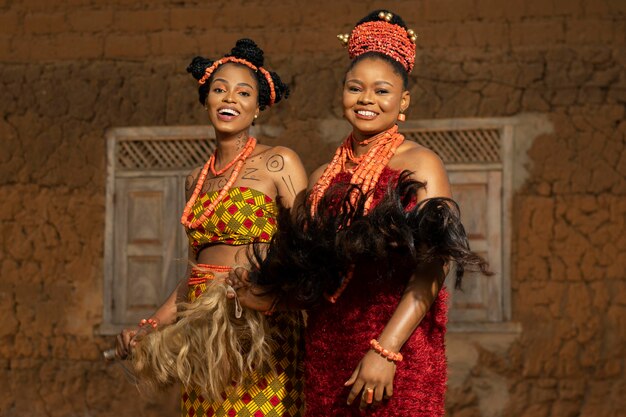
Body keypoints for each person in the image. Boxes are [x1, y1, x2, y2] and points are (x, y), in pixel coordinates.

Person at [229, 11, 490, 417]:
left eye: (382, 90)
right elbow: (313, 275)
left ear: (403, 102)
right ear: (342, 93)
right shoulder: (321, 178)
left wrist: (386, 351)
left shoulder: (420, 165)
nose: (367, 99)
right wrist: (265, 294)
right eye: (356, 87)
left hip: (398, 354)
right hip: (326, 351)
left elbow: (432, 268)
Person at [115, 38, 307, 417]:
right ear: (206, 101)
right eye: (219, 89)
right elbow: (193, 275)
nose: (229, 99)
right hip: (204, 338)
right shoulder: (194, 181)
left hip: (262, 330)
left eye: (243, 92)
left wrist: (267, 293)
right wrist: (151, 326)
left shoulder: (279, 163)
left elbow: (308, 253)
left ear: (258, 108)